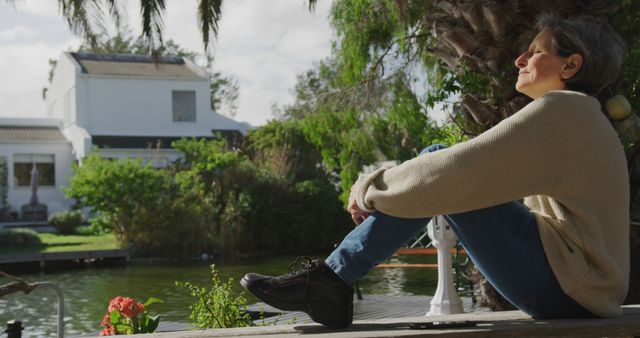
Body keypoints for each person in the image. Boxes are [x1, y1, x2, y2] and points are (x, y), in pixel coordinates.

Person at [240, 13, 630, 329]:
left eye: (534, 52)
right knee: (439, 166)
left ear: (571, 64)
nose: (520, 60)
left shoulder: (563, 111)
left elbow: (459, 169)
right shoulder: (583, 117)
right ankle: (331, 281)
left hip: (568, 289)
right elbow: (465, 170)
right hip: (577, 287)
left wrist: (370, 186)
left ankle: (331, 281)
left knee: (442, 165)